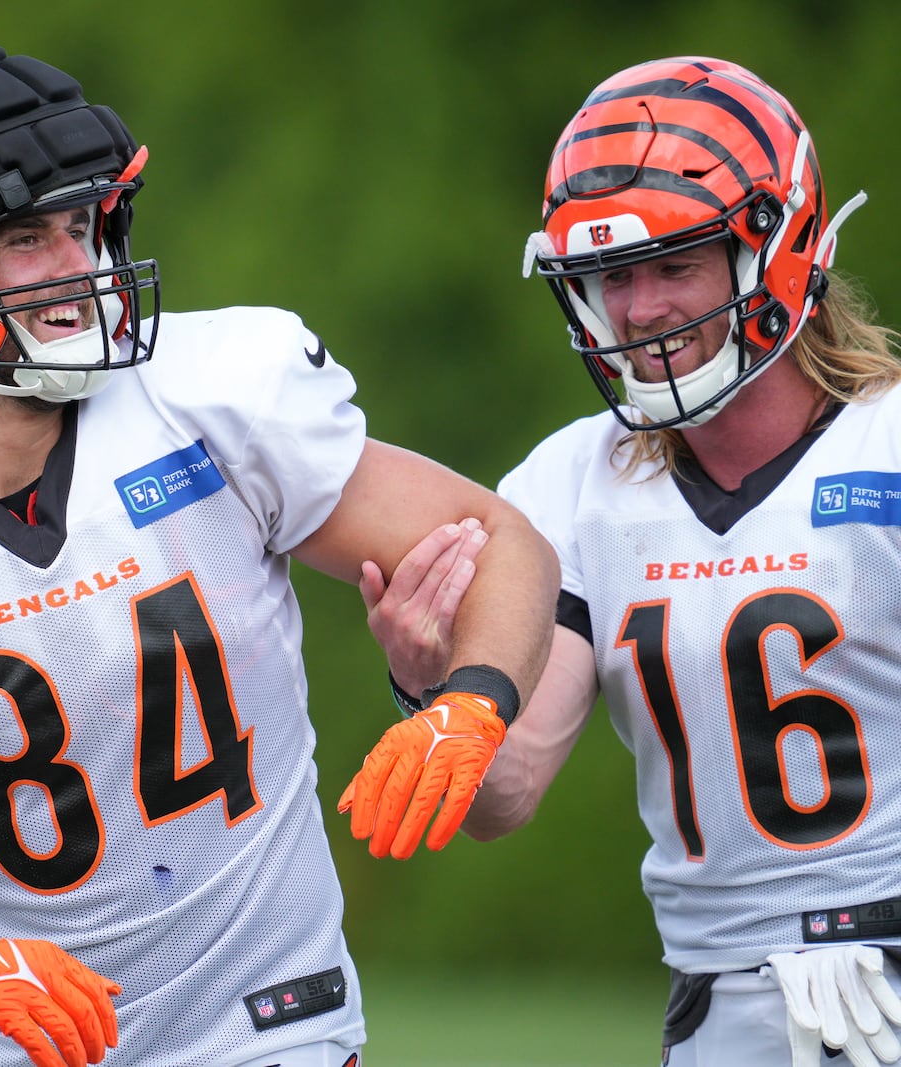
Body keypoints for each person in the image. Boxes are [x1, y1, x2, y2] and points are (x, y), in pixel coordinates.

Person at [0, 40, 559, 1067]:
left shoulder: (212, 394)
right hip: (39, 1044)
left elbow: (502, 540)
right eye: (24, 236)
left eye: (81, 225)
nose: (79, 266)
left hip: (277, 1028)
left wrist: (473, 695)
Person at [366, 56, 901, 1067]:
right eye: (612, 275)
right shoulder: (572, 485)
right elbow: (505, 793)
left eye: (675, 264)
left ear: (777, 248)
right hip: (718, 1004)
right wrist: (430, 684)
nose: (640, 309)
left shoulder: (887, 444)